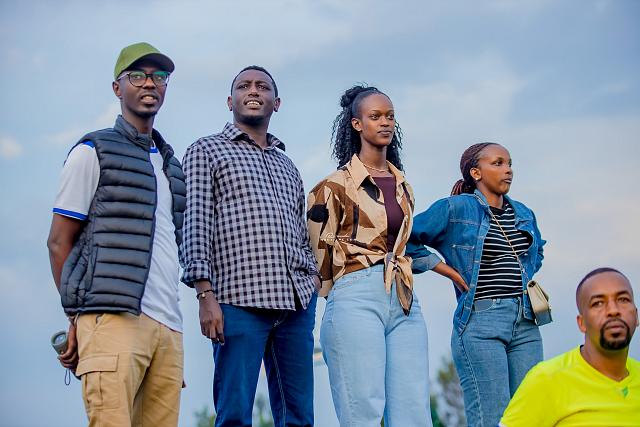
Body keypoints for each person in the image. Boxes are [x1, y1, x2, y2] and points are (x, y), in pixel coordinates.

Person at [46, 42, 185, 427]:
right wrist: (77, 317)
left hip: (168, 328)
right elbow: (58, 241)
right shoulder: (93, 150)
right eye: (137, 76)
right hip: (110, 321)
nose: (149, 84)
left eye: (159, 76)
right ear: (117, 88)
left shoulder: (171, 165)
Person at [181, 65, 320, 427]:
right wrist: (204, 294)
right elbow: (195, 222)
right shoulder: (206, 150)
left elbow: (300, 230)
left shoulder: (287, 165)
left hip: (295, 304)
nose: (253, 91)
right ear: (231, 101)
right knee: (234, 415)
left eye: (262, 86)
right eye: (244, 86)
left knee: (300, 417)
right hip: (237, 300)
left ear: (277, 102)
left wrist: (313, 278)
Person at [307, 85, 432, 426]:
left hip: (404, 297)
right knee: (363, 411)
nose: (385, 122)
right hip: (355, 296)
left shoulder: (404, 186)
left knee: (414, 412)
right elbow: (317, 252)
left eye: (390, 116)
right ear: (357, 124)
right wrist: (342, 292)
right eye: (375, 116)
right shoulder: (333, 186)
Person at [407, 142, 546, 427]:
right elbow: (405, 239)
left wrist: (521, 278)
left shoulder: (523, 213)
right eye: (497, 163)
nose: (508, 170)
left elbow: (538, 250)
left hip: (526, 322)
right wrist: (446, 270)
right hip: (481, 323)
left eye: (509, 163)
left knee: (531, 416)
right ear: (476, 172)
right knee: (492, 419)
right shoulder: (456, 208)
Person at [500, 267, 640, 426]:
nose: (613, 310)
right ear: (582, 323)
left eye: (623, 300)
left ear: (636, 316)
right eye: (598, 303)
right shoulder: (547, 379)